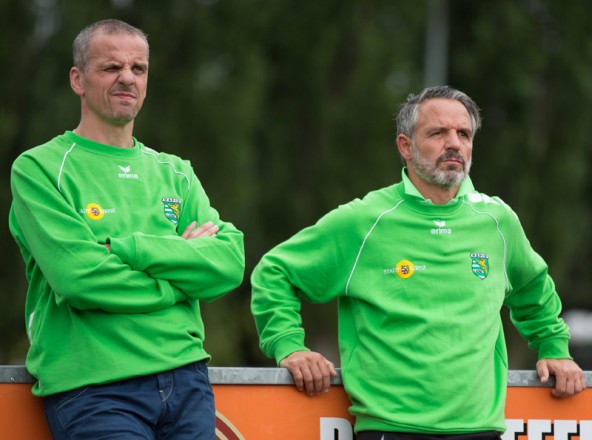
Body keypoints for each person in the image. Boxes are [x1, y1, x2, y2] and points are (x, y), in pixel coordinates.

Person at [250, 85, 586, 439]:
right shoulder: (364, 220)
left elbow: (533, 289)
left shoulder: (497, 221)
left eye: (464, 134)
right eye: (438, 133)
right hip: (390, 429)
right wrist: (289, 345)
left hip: (479, 429)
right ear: (405, 147)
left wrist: (554, 347)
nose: (454, 143)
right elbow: (275, 272)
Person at [9, 19, 245, 439]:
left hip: (187, 379)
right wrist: (179, 282)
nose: (127, 78)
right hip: (95, 388)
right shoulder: (39, 168)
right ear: (77, 80)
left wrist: (130, 249)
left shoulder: (176, 172)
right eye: (111, 67)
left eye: (138, 68)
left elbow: (227, 262)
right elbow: (80, 278)